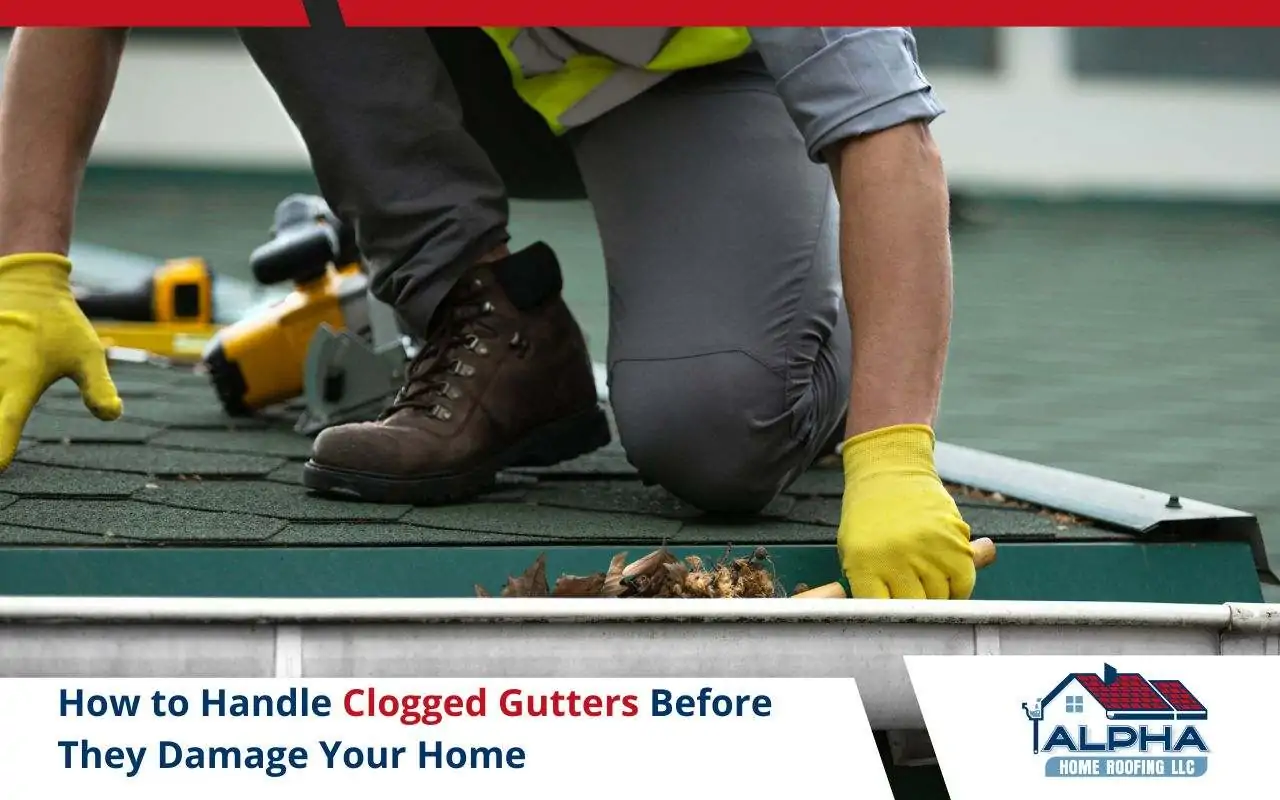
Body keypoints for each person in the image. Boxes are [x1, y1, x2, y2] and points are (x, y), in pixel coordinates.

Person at [0, 21, 976, 600]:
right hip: (463, 71)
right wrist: (25, 273)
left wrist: (890, 444)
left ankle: (818, 339)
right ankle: (477, 313)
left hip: (689, 87)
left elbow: (889, 136)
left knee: (713, 436)